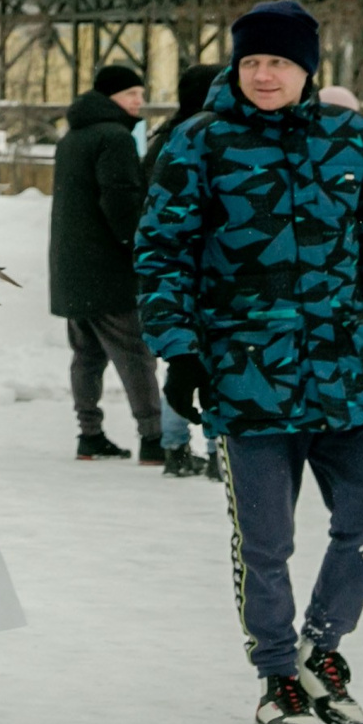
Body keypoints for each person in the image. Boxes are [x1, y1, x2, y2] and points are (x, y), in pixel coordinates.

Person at [138, 0, 363, 724]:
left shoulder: (352, 140)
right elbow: (161, 256)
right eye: (253, 60)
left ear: (308, 68)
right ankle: (275, 676)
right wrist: (182, 352)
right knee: (265, 541)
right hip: (246, 376)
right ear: (237, 66)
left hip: (349, 373)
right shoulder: (201, 142)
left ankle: (318, 649)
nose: (265, 73)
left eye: (280, 61)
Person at [49, 61, 164, 464]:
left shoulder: (72, 137)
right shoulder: (114, 137)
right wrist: (138, 244)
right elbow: (121, 201)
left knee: (87, 355)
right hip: (109, 268)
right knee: (136, 353)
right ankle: (155, 439)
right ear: (111, 97)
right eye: (133, 95)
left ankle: (90, 434)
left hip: (73, 267)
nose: (139, 103)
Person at [147, 62, 223, 479]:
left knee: (181, 360)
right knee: (212, 362)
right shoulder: (210, 139)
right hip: (206, 268)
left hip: (175, 271)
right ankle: (215, 449)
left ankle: (175, 445)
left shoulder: (165, 137)